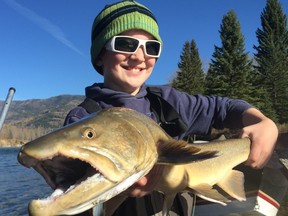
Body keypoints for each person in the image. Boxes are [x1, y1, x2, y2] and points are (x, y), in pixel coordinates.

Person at [63, 0, 278, 215]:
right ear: (100, 54)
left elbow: (224, 108)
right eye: (125, 44)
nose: (139, 56)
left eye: (151, 47)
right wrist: (120, 192)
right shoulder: (81, 121)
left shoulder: (169, 101)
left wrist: (263, 123)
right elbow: (75, 203)